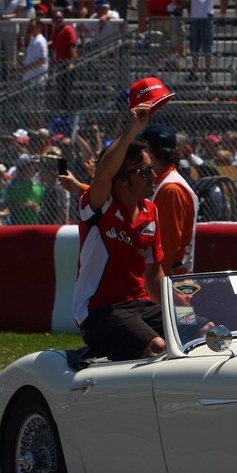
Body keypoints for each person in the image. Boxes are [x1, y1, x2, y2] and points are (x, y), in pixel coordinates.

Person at [73, 104, 166, 361]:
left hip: (141, 306)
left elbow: (155, 275)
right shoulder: (100, 205)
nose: (154, 176)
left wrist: (186, 314)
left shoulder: (151, 211)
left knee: (202, 330)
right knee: (157, 347)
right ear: (123, 178)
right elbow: (103, 175)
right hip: (101, 311)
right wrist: (134, 129)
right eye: (145, 171)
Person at [141, 124, 198, 275]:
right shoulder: (157, 182)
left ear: (149, 150)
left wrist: (149, 288)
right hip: (157, 281)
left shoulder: (171, 189)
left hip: (170, 285)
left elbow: (167, 247)